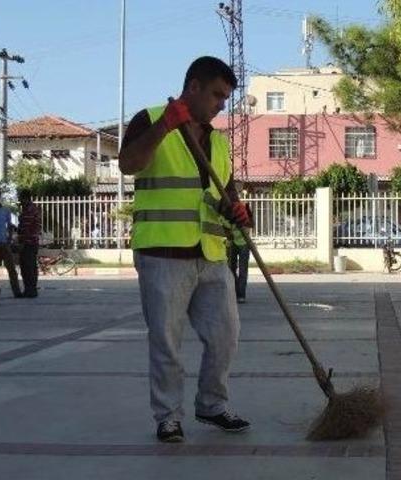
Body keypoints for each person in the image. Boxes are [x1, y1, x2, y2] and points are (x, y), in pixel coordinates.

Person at [118, 56, 253, 443]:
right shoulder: (151, 119)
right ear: (192, 87)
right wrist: (166, 126)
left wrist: (237, 208)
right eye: (216, 96)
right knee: (166, 340)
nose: (221, 105)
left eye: (226, 99)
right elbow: (129, 164)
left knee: (226, 335)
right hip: (162, 253)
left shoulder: (219, 140)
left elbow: (226, 189)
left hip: (210, 254)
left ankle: (212, 405)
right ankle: (168, 416)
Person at [227, 182, 252, 303]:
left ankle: (241, 295)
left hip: (243, 243)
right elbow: (224, 225)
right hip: (231, 243)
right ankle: (236, 292)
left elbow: (250, 224)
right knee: (231, 269)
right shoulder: (227, 208)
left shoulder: (245, 207)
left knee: (243, 270)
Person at [17, 190, 41, 298]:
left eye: (21, 198)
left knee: (28, 267)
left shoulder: (29, 210)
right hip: (31, 242)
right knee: (30, 267)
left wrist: (22, 241)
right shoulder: (31, 209)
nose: (20, 201)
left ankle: (30, 290)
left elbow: (26, 228)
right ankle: (31, 289)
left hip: (28, 243)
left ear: (26, 198)